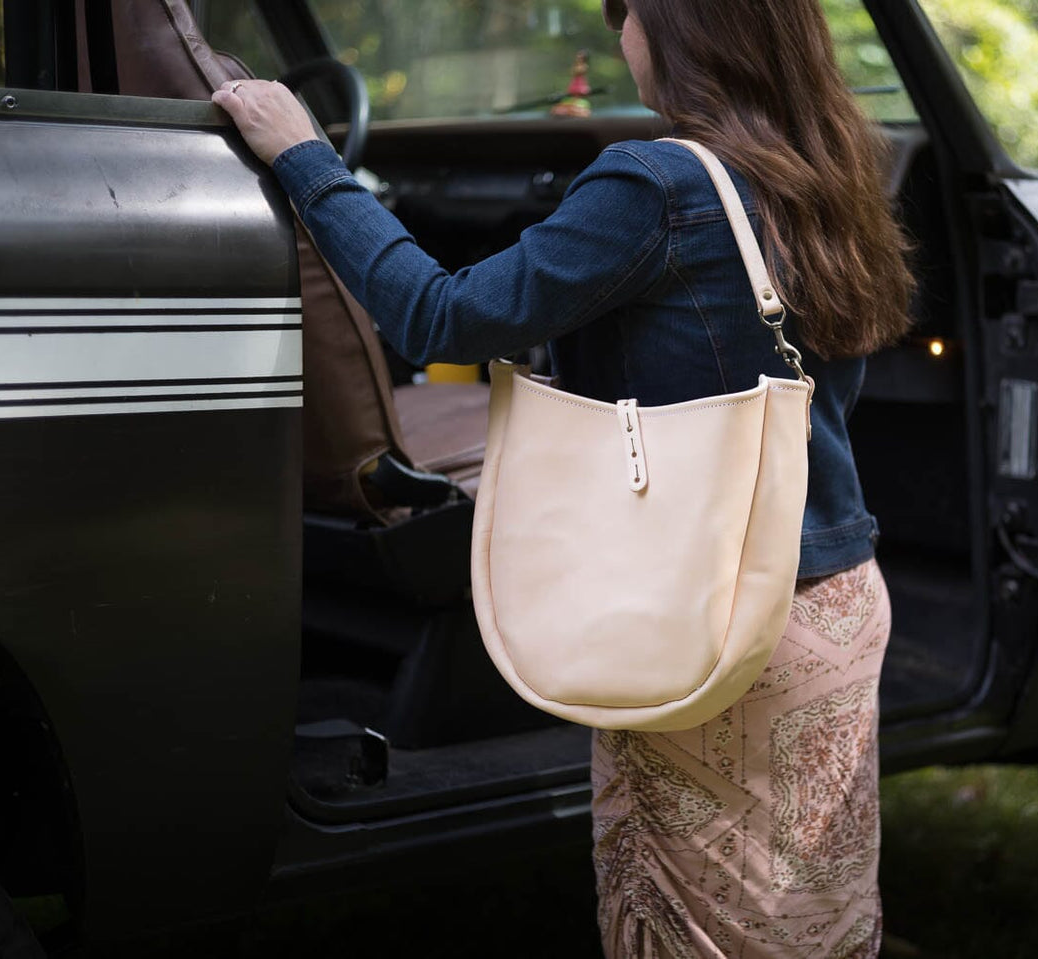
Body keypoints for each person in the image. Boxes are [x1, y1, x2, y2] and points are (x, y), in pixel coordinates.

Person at [214, 0, 913, 954]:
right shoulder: (830, 168)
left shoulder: (656, 183)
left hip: (709, 622)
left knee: (695, 927)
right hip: (832, 602)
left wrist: (304, 156)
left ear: (678, 29)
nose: (619, 35)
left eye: (625, 12)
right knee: (811, 920)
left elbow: (441, 317)